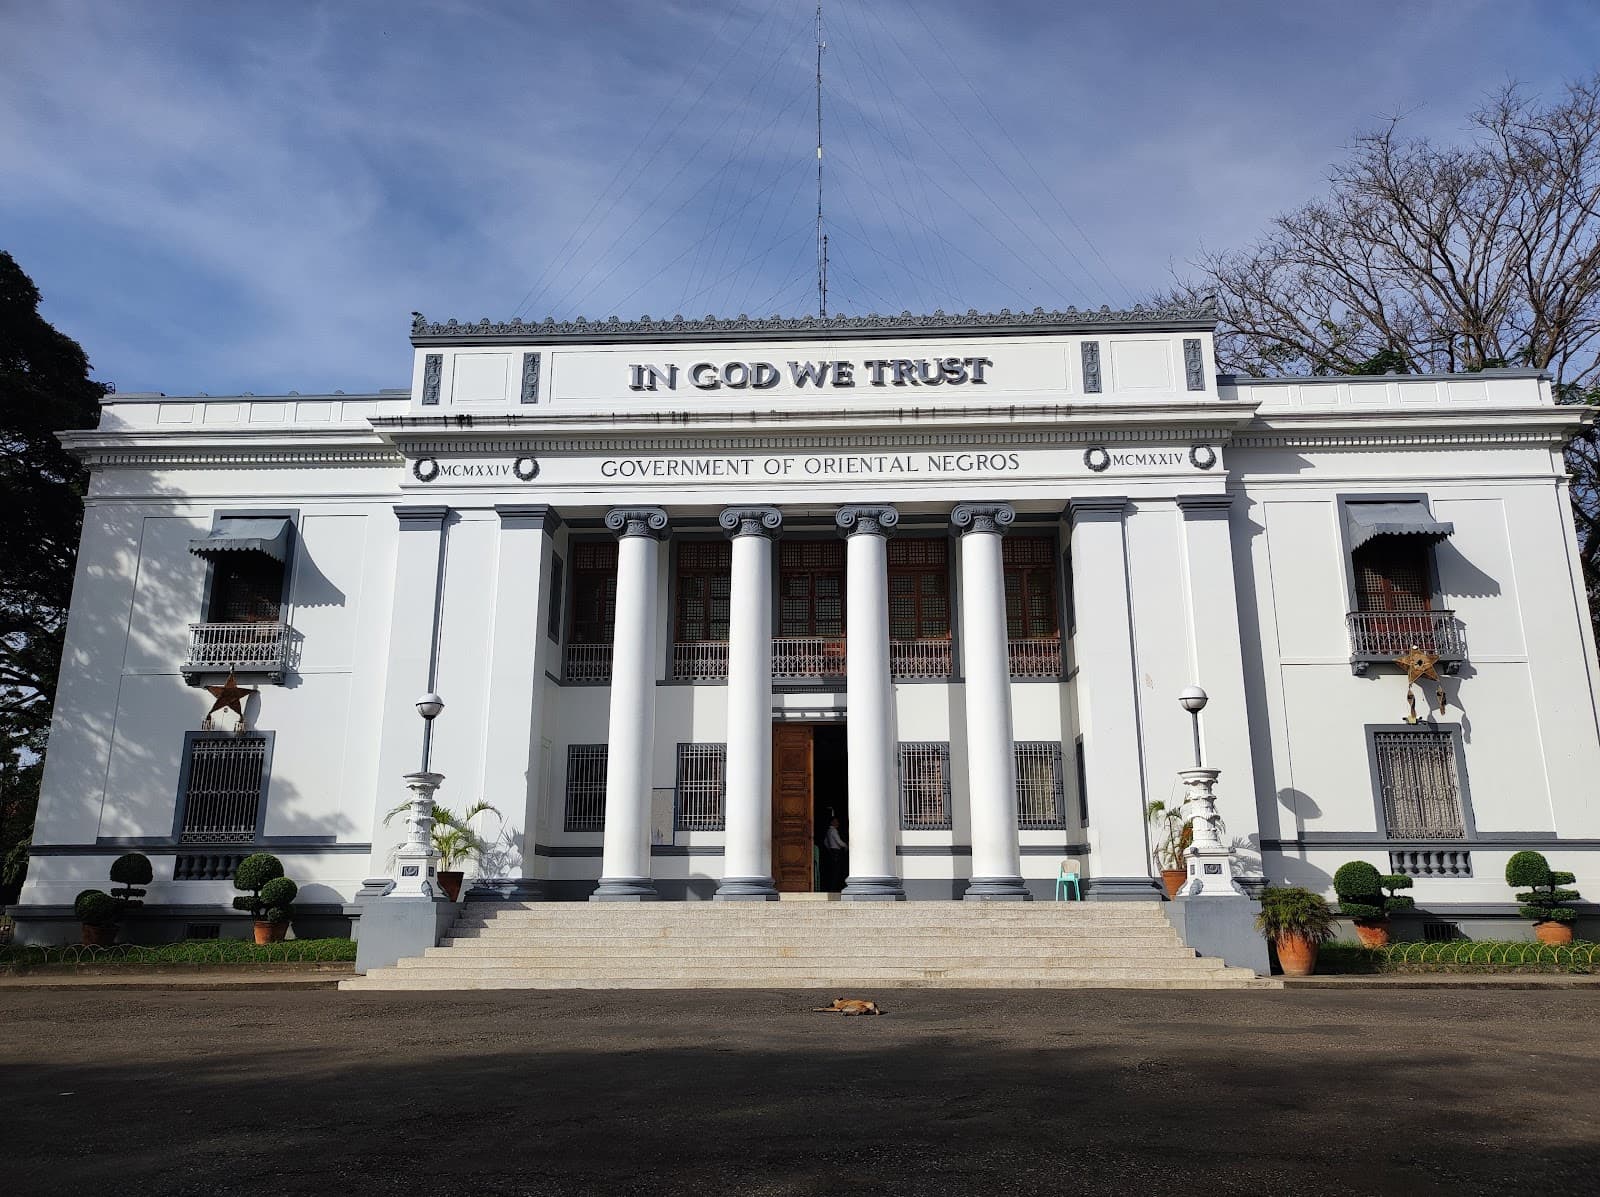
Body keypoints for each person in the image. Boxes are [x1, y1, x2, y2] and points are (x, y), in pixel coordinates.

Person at [822, 815, 847, 892]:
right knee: (836, 872)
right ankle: (834, 889)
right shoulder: (834, 831)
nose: (838, 823)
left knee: (833, 871)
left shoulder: (829, 831)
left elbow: (825, 842)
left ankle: (832, 888)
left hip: (832, 852)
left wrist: (830, 849)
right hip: (836, 852)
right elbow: (839, 842)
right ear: (832, 822)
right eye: (836, 821)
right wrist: (846, 845)